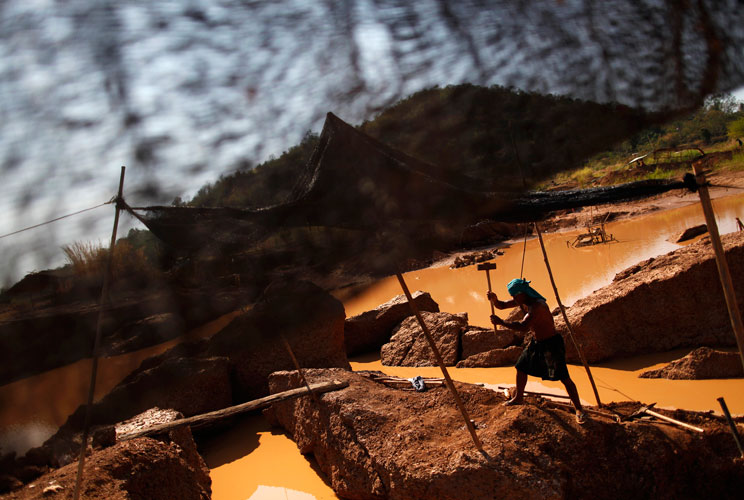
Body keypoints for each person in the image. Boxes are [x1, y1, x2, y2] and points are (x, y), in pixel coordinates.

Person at [487, 278, 587, 424]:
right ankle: (518, 397)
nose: (514, 299)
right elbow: (502, 305)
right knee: (521, 367)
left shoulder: (537, 306)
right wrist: (495, 300)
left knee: (564, 377)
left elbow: (523, 327)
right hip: (537, 342)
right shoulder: (524, 300)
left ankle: (579, 409)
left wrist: (501, 322)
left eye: (515, 296)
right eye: (513, 296)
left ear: (523, 293)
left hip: (551, 344)